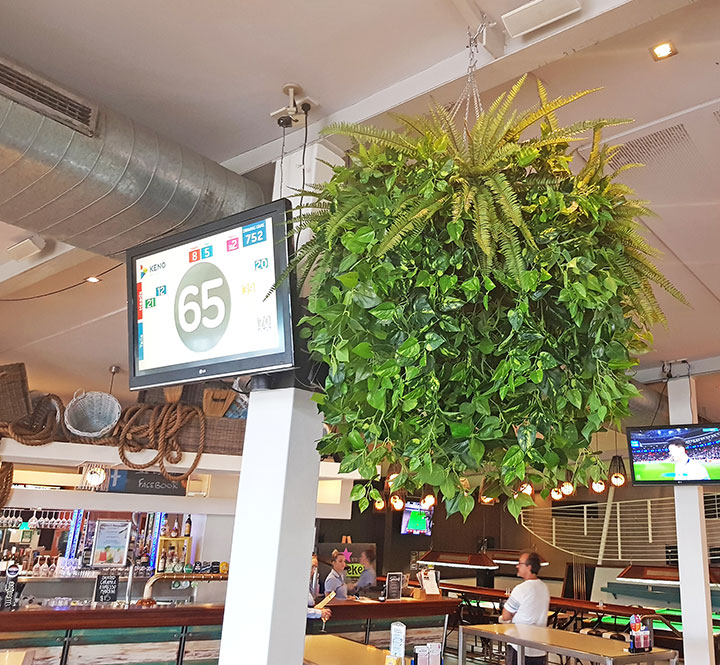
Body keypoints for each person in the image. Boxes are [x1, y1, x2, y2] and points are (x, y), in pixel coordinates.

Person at [499, 551, 550, 665]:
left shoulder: (521, 589)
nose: (517, 566)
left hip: (519, 645)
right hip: (539, 647)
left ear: (529, 567)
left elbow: (506, 615)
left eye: (520, 563)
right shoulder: (544, 587)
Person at [308, 555, 331, 621]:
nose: (314, 571)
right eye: (312, 566)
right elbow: (300, 610)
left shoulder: (310, 582)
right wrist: (319, 613)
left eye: (315, 568)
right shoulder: (299, 585)